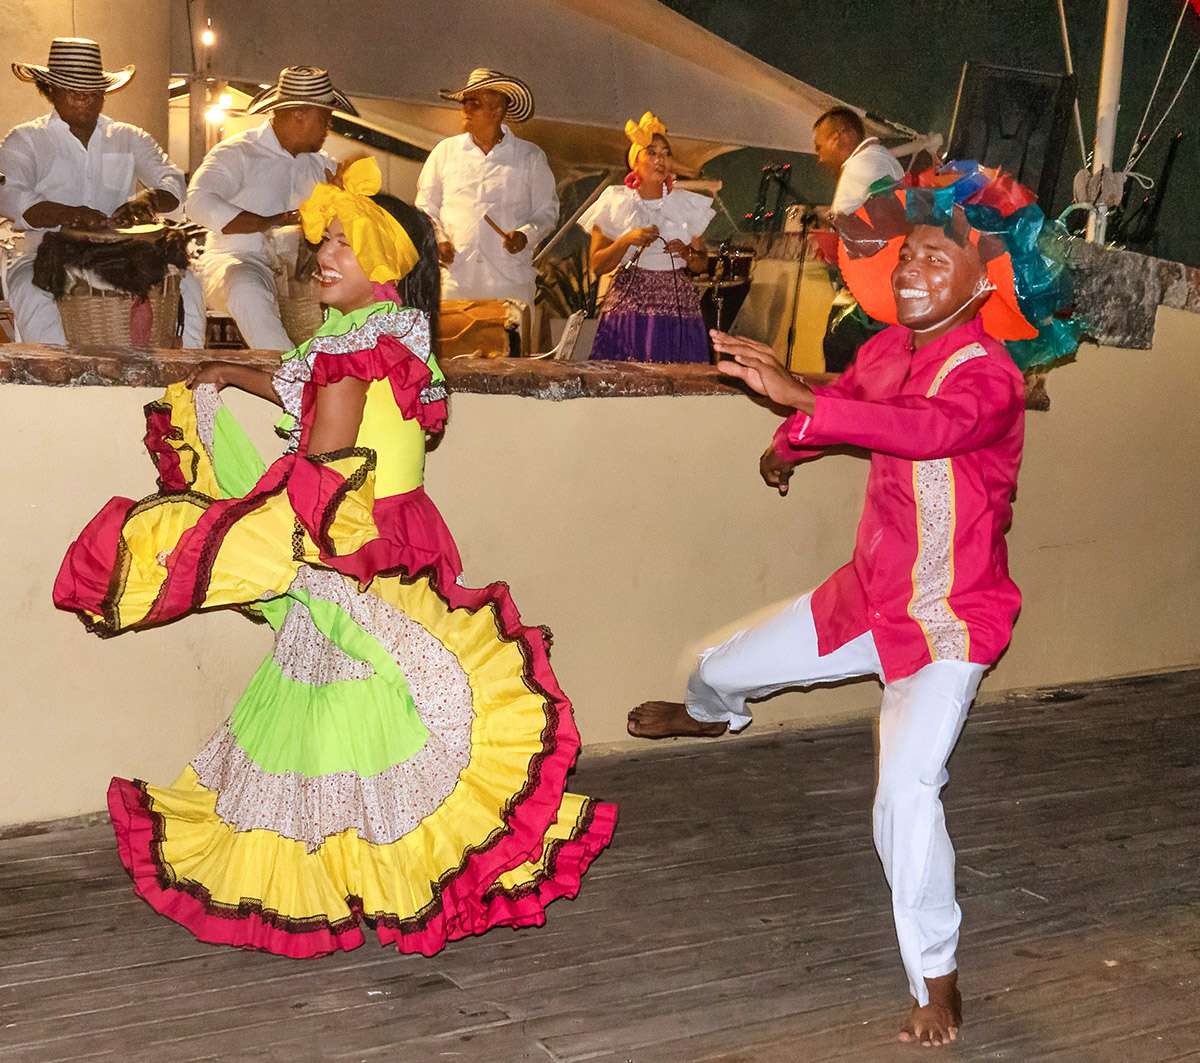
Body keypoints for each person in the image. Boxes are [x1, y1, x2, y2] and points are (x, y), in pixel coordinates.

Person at [54, 157, 616, 957]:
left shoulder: (350, 351)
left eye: (345, 244)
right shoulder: (386, 333)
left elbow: (322, 454)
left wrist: (231, 532)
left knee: (347, 707)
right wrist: (231, 374)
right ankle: (377, 866)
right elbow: (310, 392)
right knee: (370, 712)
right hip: (402, 528)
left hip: (353, 537)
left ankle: (366, 874)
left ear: (387, 261)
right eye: (327, 239)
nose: (324, 253)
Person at [627, 163, 1079, 1047]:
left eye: (934, 263)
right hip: (867, 598)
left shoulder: (987, 375)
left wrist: (805, 407)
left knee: (905, 797)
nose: (910, 272)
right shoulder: (886, 349)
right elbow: (851, 403)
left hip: (950, 623)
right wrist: (788, 438)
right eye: (907, 257)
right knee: (717, 668)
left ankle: (938, 979)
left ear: (986, 280)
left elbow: (926, 430)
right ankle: (718, 717)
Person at [0, 37, 205, 346]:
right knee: (33, 292)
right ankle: (55, 378)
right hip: (42, 253)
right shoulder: (25, 139)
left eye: (93, 90)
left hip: (119, 256)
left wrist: (148, 200)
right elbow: (9, 195)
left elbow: (172, 181)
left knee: (186, 283)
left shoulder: (129, 137)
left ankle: (188, 372)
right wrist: (70, 214)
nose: (84, 97)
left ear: (104, 92)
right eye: (72, 89)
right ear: (50, 90)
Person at [187, 66, 352, 351]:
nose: (329, 127)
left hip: (301, 274)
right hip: (238, 258)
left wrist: (345, 200)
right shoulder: (237, 152)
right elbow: (198, 202)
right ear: (299, 114)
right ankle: (289, 376)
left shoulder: (323, 165)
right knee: (246, 289)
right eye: (325, 118)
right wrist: (274, 221)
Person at [415, 68, 558, 309]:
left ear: (497, 110)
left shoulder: (530, 156)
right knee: (451, 348)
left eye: (475, 103)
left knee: (512, 348)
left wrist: (525, 235)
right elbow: (425, 207)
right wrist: (438, 239)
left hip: (509, 288)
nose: (466, 109)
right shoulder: (445, 152)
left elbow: (547, 212)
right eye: (465, 102)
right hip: (454, 285)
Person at [579, 112, 714, 363]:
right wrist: (626, 240)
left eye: (666, 153)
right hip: (630, 308)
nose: (660, 159)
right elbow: (598, 265)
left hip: (677, 307)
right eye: (652, 152)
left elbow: (701, 263)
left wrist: (687, 253)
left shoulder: (686, 204)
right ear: (635, 161)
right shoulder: (615, 201)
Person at [812, 106, 905, 372]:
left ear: (841, 135)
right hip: (882, 295)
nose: (819, 158)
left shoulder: (863, 165)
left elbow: (871, 234)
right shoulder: (879, 160)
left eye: (820, 147)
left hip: (870, 301)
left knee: (843, 360)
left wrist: (832, 245)